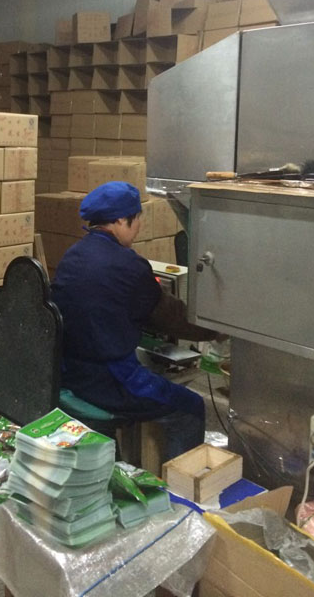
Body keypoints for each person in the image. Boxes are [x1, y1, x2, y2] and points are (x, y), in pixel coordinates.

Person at [51, 181, 217, 461]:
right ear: (120, 220)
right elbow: (170, 318)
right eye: (137, 218)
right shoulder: (129, 265)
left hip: (68, 371)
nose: (139, 226)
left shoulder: (73, 254)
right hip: (108, 381)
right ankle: (179, 484)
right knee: (191, 407)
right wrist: (217, 328)